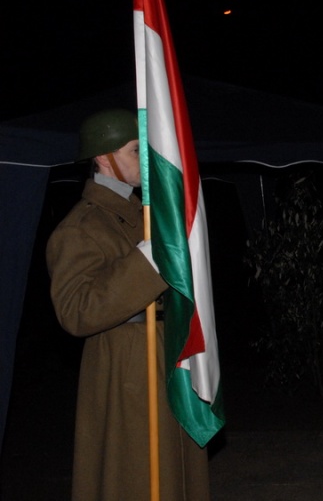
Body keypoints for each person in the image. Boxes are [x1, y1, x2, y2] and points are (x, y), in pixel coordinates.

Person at [46, 109, 210, 501]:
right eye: (136, 150)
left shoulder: (149, 216)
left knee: (176, 472)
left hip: (169, 354)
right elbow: (76, 310)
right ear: (103, 158)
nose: (146, 158)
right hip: (126, 367)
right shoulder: (81, 227)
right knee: (137, 473)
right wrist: (146, 261)